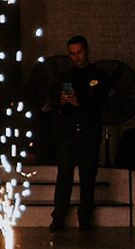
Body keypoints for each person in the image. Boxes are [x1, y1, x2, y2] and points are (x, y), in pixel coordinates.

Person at [46, 36, 107, 230]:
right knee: (64, 175)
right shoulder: (64, 77)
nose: (76, 57)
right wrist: (62, 102)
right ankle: (59, 216)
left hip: (89, 133)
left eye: (79, 52)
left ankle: (85, 218)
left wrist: (80, 103)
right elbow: (52, 102)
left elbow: (102, 104)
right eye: (72, 54)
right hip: (68, 133)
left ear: (87, 51)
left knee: (87, 176)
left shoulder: (99, 76)